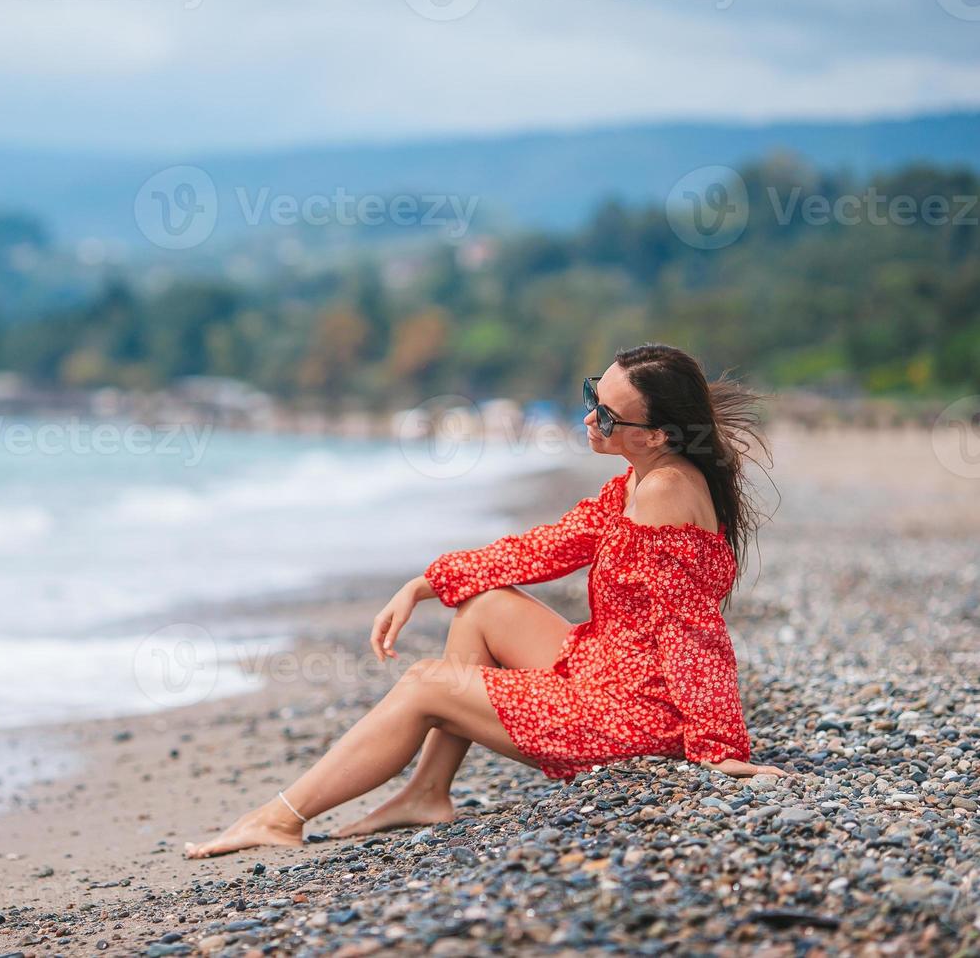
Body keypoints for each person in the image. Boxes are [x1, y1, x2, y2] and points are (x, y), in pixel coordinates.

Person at [184, 343, 784, 859]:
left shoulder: (667, 494)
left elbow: (693, 629)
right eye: (590, 396)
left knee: (426, 683)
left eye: (606, 414)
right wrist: (427, 583)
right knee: (484, 606)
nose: (588, 418)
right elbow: (550, 545)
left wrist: (718, 747)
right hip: (610, 666)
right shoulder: (639, 478)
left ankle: (281, 817)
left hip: (638, 711)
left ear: (655, 434)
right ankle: (426, 793)